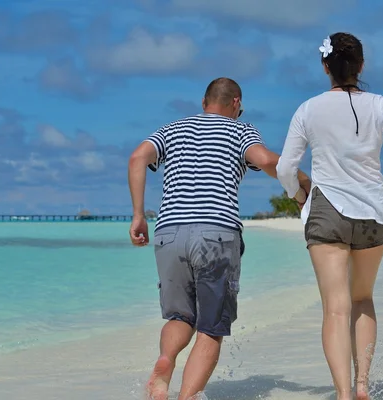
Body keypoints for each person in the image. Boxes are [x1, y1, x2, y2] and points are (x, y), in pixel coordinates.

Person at [276, 33, 383, 400]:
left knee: (335, 309)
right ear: (362, 65)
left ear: (325, 67)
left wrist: (298, 195)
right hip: (374, 212)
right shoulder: (380, 103)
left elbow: (285, 167)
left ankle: (342, 393)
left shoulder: (308, 109)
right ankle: (363, 385)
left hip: (328, 212)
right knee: (362, 299)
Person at [127, 77, 311, 400]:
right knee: (210, 328)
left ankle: (166, 362)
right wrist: (300, 184)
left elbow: (137, 157)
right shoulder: (241, 130)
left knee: (179, 317)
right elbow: (267, 160)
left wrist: (138, 215)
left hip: (168, 232)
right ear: (236, 103)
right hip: (215, 234)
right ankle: (187, 397)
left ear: (204, 102)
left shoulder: (172, 129)